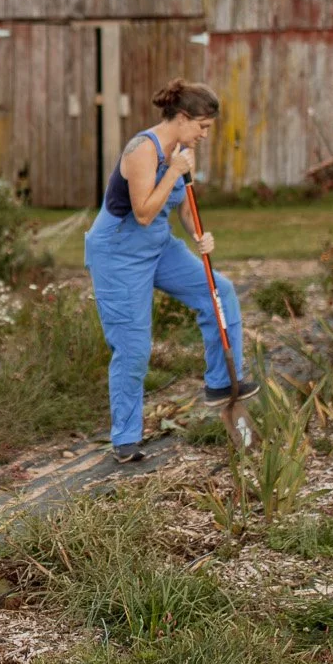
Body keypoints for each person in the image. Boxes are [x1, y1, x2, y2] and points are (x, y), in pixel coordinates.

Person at [84, 79, 258, 464]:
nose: (204, 135)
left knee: (220, 291)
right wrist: (174, 169)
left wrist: (199, 234)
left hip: (159, 246)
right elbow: (144, 212)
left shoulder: (181, 150)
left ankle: (221, 383)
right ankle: (125, 439)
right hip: (118, 252)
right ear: (182, 118)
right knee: (133, 348)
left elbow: (182, 206)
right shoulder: (141, 150)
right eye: (202, 126)